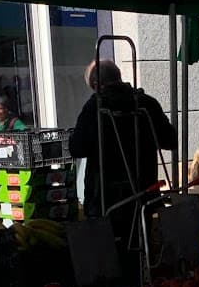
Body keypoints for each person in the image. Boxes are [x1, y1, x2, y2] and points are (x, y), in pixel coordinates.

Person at [69, 58, 175, 218]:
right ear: (119, 76)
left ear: (97, 86)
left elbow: (76, 148)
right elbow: (171, 140)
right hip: (143, 196)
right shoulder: (147, 103)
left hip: (105, 200)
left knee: (108, 242)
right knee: (142, 239)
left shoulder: (95, 108)